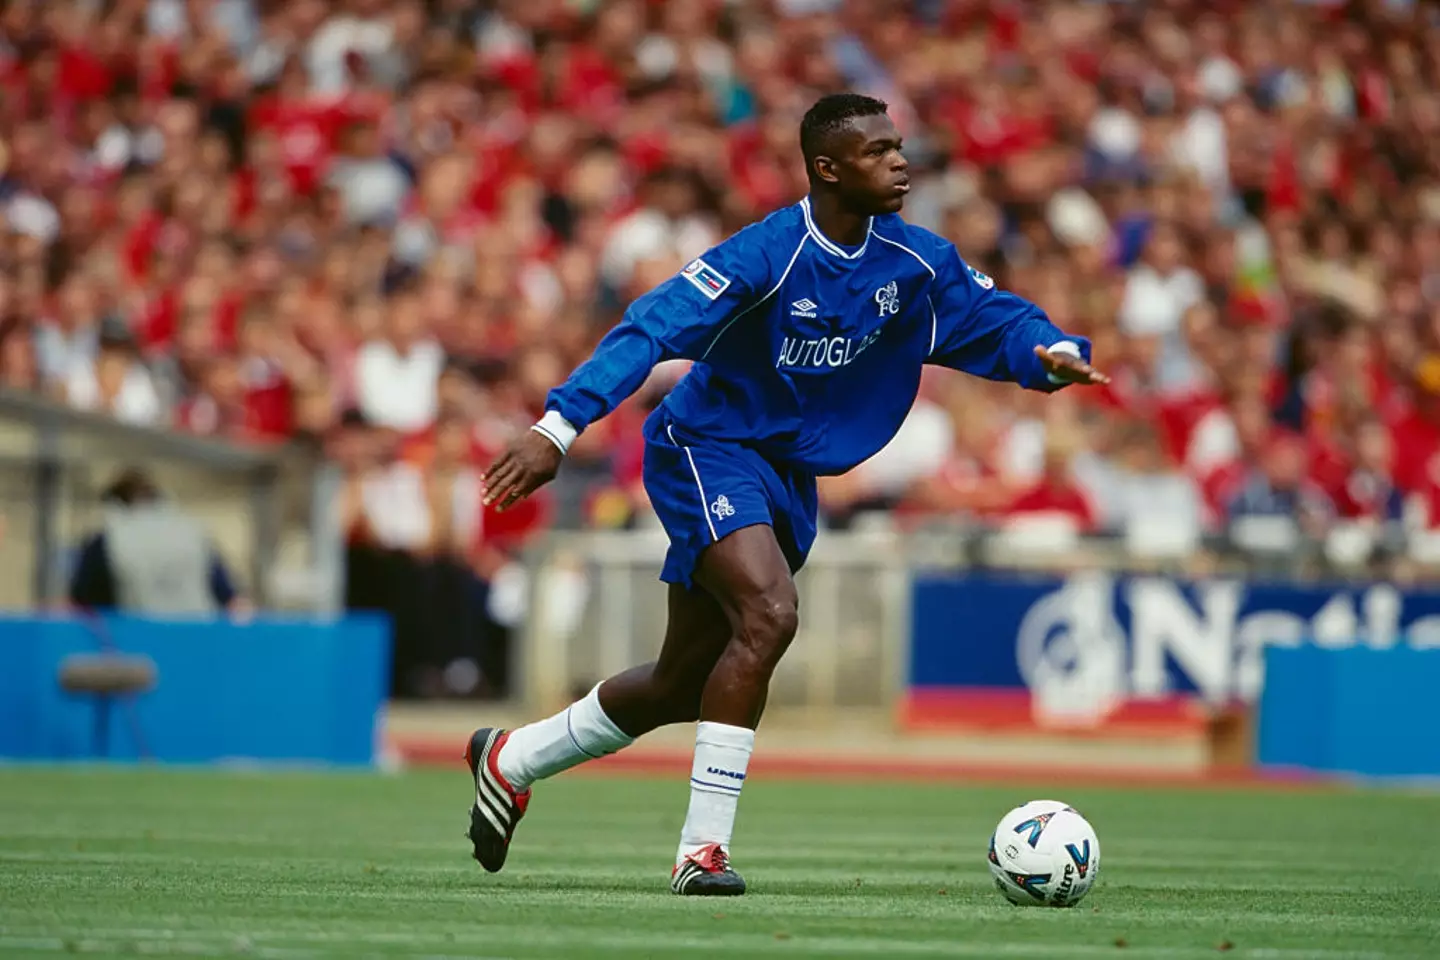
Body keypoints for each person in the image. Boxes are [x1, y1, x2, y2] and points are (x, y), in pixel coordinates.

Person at [466, 94, 1108, 896]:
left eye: (899, 146)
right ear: (828, 169)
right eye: (877, 152)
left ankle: (510, 759)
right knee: (770, 614)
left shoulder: (915, 262)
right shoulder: (764, 255)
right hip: (705, 446)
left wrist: (1047, 350)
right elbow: (648, 328)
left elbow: (995, 317)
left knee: (679, 683)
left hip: (787, 477)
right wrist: (557, 428)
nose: (900, 162)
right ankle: (702, 853)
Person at [68, 467, 249, 617]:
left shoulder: (106, 541)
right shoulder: (193, 533)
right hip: (198, 639)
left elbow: (83, 600)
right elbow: (229, 598)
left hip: (132, 643)